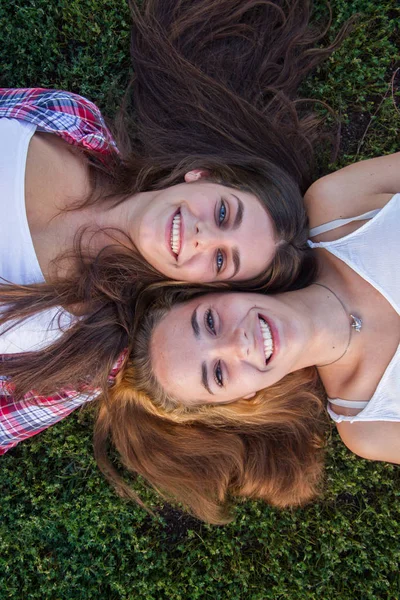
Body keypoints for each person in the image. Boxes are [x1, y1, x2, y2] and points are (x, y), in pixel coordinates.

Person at [0, 0, 349, 453]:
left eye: (222, 260)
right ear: (203, 174)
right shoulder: (73, 122)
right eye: (225, 213)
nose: (206, 236)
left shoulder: (78, 353)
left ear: (199, 288)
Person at [109, 150, 399, 522]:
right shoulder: (370, 426)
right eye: (217, 373)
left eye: (210, 322)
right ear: (246, 398)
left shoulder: (340, 207)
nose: (237, 343)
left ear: (217, 289)